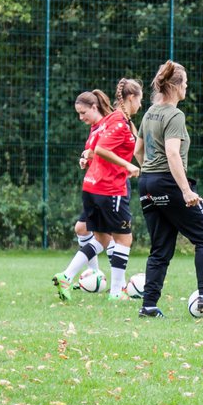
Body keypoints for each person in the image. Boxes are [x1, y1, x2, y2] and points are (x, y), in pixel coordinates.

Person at [135, 61, 203, 318]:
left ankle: (148, 306)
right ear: (176, 86)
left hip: (146, 183)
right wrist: (186, 191)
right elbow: (172, 154)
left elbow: (138, 151)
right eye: (185, 83)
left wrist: (150, 175)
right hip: (168, 181)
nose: (187, 87)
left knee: (160, 249)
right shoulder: (175, 115)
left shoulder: (149, 112)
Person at [52, 90, 113, 300]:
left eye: (82, 112)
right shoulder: (95, 128)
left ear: (94, 107)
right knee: (96, 233)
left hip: (108, 186)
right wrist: (87, 160)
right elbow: (100, 155)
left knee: (111, 237)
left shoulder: (107, 126)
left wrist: (92, 155)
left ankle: (113, 283)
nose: (80, 117)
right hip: (97, 186)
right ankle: (93, 276)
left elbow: (109, 153)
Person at [90, 79, 143, 301]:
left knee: (103, 236)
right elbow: (100, 148)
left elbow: (95, 147)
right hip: (112, 185)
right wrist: (127, 165)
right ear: (132, 98)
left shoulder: (119, 120)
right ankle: (115, 290)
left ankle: (115, 287)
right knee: (123, 238)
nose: (141, 104)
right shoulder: (119, 120)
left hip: (107, 184)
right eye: (140, 99)